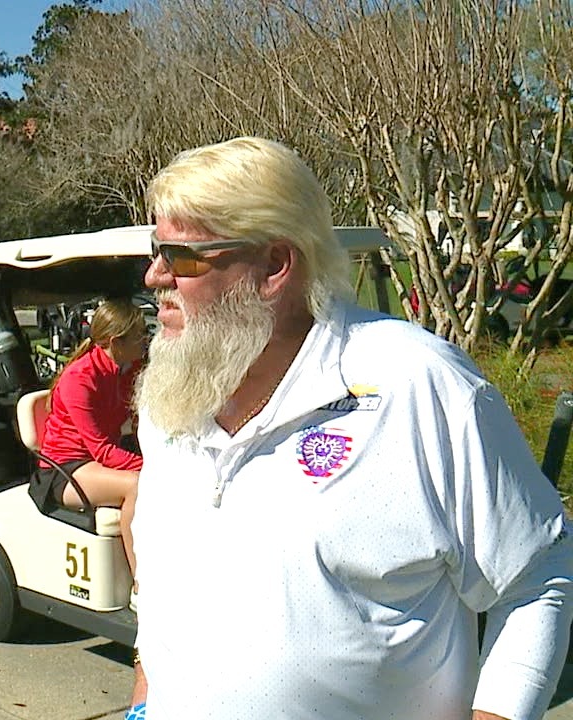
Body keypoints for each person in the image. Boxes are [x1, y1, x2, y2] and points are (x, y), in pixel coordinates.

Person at [127, 136, 573, 720]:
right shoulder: (170, 395)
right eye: (154, 248)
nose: (154, 274)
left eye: (181, 256)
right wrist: (143, 697)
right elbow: (168, 583)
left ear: (273, 267)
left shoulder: (418, 383)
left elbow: (537, 574)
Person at [29, 298, 146, 582]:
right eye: (140, 335)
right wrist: (152, 466)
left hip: (95, 459)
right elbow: (103, 450)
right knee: (137, 485)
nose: (146, 340)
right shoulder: (80, 379)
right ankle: (141, 584)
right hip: (65, 469)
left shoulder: (127, 369)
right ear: (116, 342)